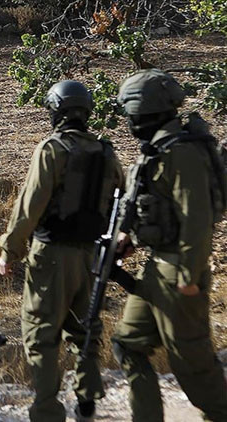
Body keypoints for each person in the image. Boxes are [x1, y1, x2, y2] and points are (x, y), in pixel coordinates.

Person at [0, 81, 124, 421]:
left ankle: (47, 412)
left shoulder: (52, 149)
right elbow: (121, 202)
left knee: (41, 334)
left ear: (56, 111)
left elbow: (30, 205)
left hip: (52, 254)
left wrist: (10, 249)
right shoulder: (106, 152)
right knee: (86, 332)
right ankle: (87, 403)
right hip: (92, 257)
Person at [112, 69, 227, 421]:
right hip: (157, 268)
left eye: (130, 112)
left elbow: (197, 219)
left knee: (194, 369)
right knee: (128, 344)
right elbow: (155, 203)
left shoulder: (182, 152)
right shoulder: (158, 148)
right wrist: (128, 236)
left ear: (143, 109)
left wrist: (188, 276)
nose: (128, 121)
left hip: (179, 272)